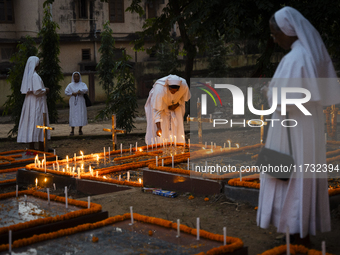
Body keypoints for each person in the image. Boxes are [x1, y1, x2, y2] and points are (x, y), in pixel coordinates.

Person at [257, 7, 340, 245]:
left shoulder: (295, 58)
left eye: (275, 33)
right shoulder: (306, 55)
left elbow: (285, 99)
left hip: (291, 128)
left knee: (291, 176)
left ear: (288, 31)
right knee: (301, 176)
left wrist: (268, 92)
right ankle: (301, 228)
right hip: (305, 127)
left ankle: (295, 231)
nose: (274, 38)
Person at [145, 74, 191, 145]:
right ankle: (161, 144)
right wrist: (158, 128)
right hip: (160, 104)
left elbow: (185, 98)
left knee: (177, 124)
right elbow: (156, 110)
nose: (173, 93)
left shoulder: (184, 86)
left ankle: (177, 143)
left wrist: (177, 104)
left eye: (176, 91)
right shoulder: (159, 90)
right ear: (168, 87)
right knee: (163, 125)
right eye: (172, 91)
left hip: (176, 104)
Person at [17, 56, 50, 151]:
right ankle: (40, 146)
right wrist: (46, 90)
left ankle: (32, 146)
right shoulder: (35, 76)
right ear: (36, 64)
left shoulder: (28, 76)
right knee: (37, 121)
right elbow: (37, 91)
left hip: (30, 102)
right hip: (36, 102)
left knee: (31, 122)